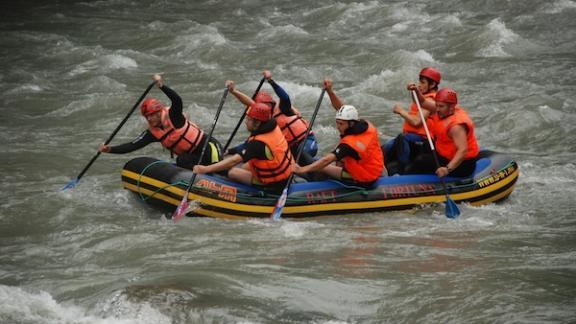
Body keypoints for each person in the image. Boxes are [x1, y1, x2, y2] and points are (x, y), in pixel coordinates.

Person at [98, 74, 222, 170]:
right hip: (193, 157)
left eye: (152, 115)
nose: (150, 119)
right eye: (147, 117)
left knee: (218, 170)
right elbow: (132, 145)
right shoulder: (152, 133)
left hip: (209, 148)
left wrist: (161, 86)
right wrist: (109, 149)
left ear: (159, 112)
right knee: (182, 160)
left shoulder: (174, 116)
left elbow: (177, 100)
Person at [294, 80, 385, 186]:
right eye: (337, 123)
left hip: (364, 177)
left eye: (341, 124)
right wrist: (330, 91)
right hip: (373, 165)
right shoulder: (365, 125)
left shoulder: (348, 145)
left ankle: (315, 183)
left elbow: (326, 161)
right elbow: (340, 108)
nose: (338, 127)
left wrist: (301, 169)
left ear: (351, 124)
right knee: (335, 158)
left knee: (322, 167)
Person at [193, 102, 294, 193]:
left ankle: (244, 190)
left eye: (248, 119)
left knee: (233, 172)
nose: (245, 122)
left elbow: (234, 161)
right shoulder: (271, 127)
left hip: (273, 184)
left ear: (257, 123)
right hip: (285, 174)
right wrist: (230, 151)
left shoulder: (257, 143)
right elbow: (247, 147)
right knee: (244, 166)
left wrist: (205, 169)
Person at [225, 70, 317, 165]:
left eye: (265, 106)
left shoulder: (283, 108)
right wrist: (233, 91)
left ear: (270, 103)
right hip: (291, 147)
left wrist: (270, 81)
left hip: (307, 141)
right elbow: (250, 143)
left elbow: (285, 97)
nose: (262, 108)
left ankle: (317, 171)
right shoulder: (264, 118)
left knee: (300, 155)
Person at [405, 88, 479, 178]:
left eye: (441, 106)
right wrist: (416, 91)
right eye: (437, 105)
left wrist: (447, 169)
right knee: (425, 144)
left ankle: (404, 179)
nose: (437, 109)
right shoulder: (442, 110)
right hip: (445, 153)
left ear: (451, 107)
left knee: (421, 160)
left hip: (462, 164)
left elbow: (463, 150)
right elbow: (422, 102)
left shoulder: (456, 126)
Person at [383, 67, 441, 175]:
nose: (420, 84)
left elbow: (417, 121)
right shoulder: (423, 97)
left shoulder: (431, 99)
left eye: (423, 82)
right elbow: (418, 99)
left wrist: (401, 111)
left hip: (423, 140)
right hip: (412, 137)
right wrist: (414, 90)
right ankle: (376, 167)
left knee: (402, 138)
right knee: (388, 145)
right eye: (419, 81)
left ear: (432, 85)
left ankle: (402, 172)